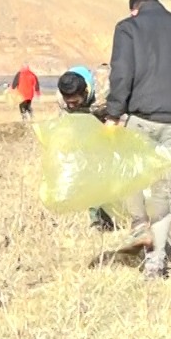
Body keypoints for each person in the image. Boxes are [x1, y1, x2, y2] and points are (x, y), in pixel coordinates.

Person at [104, 0, 171, 279]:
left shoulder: (129, 27)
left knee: (131, 174)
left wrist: (113, 114)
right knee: (164, 191)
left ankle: (139, 227)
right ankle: (156, 265)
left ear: (134, 9)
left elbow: (122, 74)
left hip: (144, 116)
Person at [57, 69, 115, 231]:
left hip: (109, 125)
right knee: (90, 175)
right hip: (84, 132)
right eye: (68, 102)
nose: (71, 105)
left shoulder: (104, 90)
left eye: (75, 102)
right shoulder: (62, 99)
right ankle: (97, 220)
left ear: (86, 92)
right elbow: (65, 122)